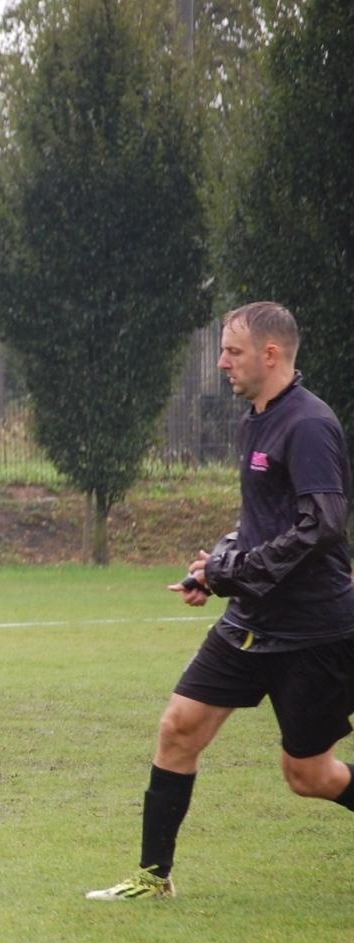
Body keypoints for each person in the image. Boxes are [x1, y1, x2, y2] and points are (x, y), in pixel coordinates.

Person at [88, 302, 354, 901]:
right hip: (251, 620)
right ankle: (154, 879)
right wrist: (216, 567)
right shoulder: (254, 421)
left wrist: (234, 568)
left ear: (270, 354)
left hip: (313, 629)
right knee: (179, 728)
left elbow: (322, 526)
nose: (221, 362)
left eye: (232, 351)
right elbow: (260, 521)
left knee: (309, 775)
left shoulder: (309, 425)